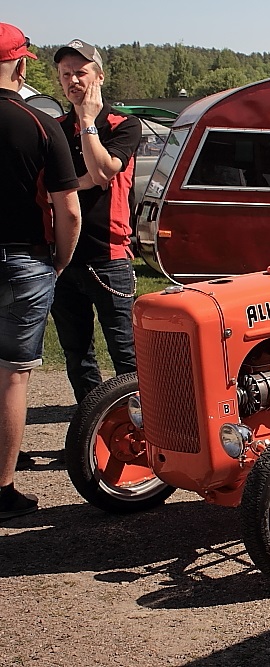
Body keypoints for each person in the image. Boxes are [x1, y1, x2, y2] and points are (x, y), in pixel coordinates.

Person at [0, 23, 81, 519]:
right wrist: (60, 260)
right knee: (12, 376)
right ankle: (2, 487)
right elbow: (68, 210)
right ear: (23, 65)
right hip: (23, 258)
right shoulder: (39, 123)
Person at [52, 40, 142, 404]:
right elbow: (46, 186)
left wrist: (88, 123)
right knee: (77, 355)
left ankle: (148, 429)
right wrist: (83, 179)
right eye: (66, 74)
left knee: (127, 354)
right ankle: (94, 428)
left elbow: (103, 171)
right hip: (62, 255)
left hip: (109, 257)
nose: (74, 80)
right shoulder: (55, 128)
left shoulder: (124, 124)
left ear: (99, 76)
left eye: (81, 72)